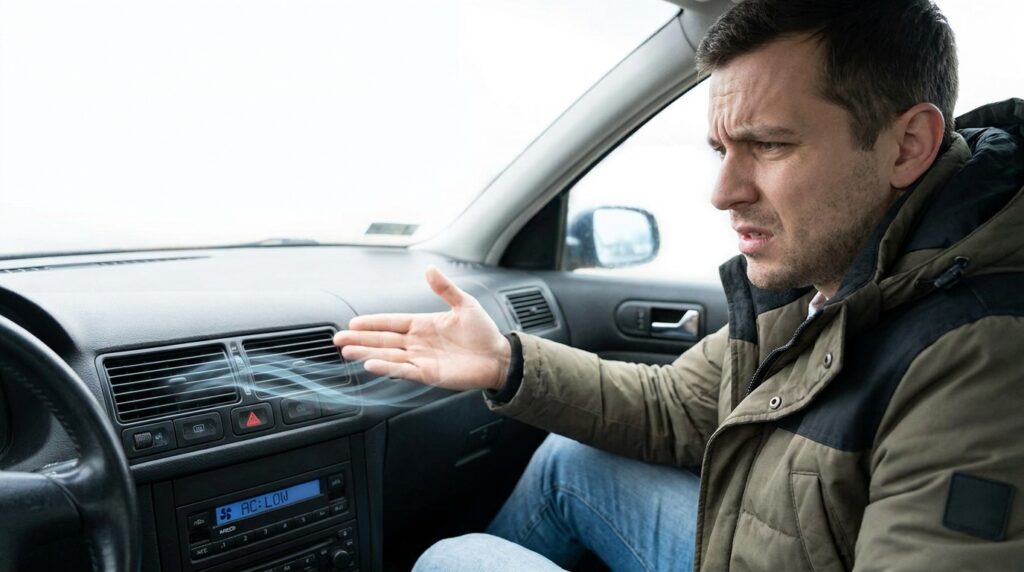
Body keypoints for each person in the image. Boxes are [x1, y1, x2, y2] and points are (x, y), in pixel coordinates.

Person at [334, 0, 1024, 569]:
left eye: (770, 144)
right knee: (572, 462)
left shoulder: (979, 356)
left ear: (908, 146)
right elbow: (679, 407)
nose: (723, 192)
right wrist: (507, 363)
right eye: (722, 149)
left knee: (456, 560)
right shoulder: (829, 279)